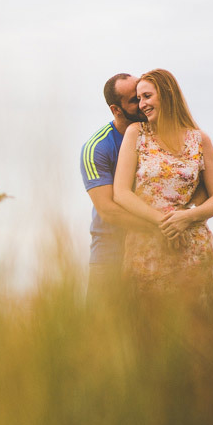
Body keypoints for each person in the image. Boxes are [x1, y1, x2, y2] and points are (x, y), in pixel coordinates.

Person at [112, 69, 213, 292]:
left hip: (193, 248)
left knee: (195, 322)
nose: (142, 104)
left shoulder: (200, 140)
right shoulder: (137, 133)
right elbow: (121, 193)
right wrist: (165, 224)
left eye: (147, 96)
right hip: (148, 247)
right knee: (146, 321)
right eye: (138, 99)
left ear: (167, 94)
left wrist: (186, 217)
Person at [80, 73, 162, 297]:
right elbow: (108, 210)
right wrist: (159, 228)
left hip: (158, 251)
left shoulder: (160, 136)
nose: (142, 103)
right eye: (134, 100)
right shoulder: (97, 147)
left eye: (142, 96)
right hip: (110, 255)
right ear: (116, 110)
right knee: (101, 329)